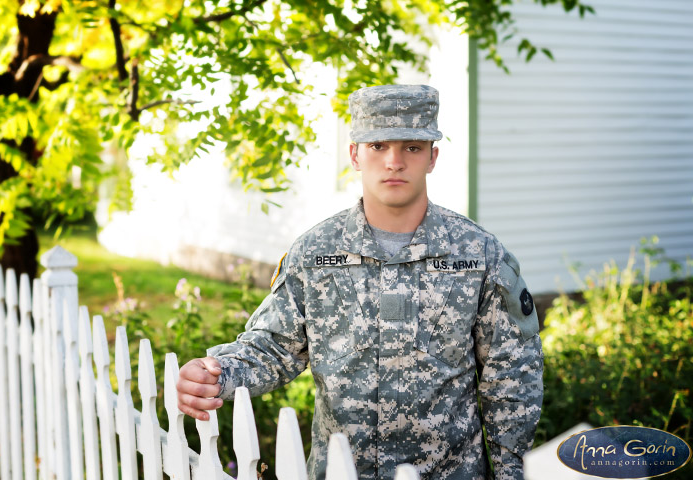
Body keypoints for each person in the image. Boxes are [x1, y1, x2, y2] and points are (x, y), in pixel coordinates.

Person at [176, 84, 543, 480]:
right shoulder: (315, 254)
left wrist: (510, 474)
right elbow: (273, 346)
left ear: (433, 158)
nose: (394, 162)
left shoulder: (479, 255)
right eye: (378, 146)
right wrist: (217, 373)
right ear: (355, 154)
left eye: (413, 148)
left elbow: (511, 376)